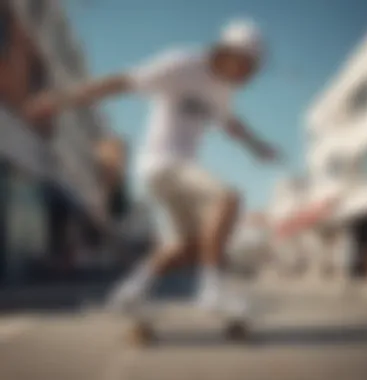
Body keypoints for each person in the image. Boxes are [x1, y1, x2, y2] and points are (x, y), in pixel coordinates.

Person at [23, 19, 281, 318]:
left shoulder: (223, 89)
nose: (248, 77)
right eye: (247, 68)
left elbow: (230, 123)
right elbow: (121, 82)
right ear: (230, 53)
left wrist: (258, 147)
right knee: (228, 198)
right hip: (161, 162)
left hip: (176, 170)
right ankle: (211, 292)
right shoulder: (181, 63)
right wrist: (61, 99)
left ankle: (130, 292)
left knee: (190, 246)